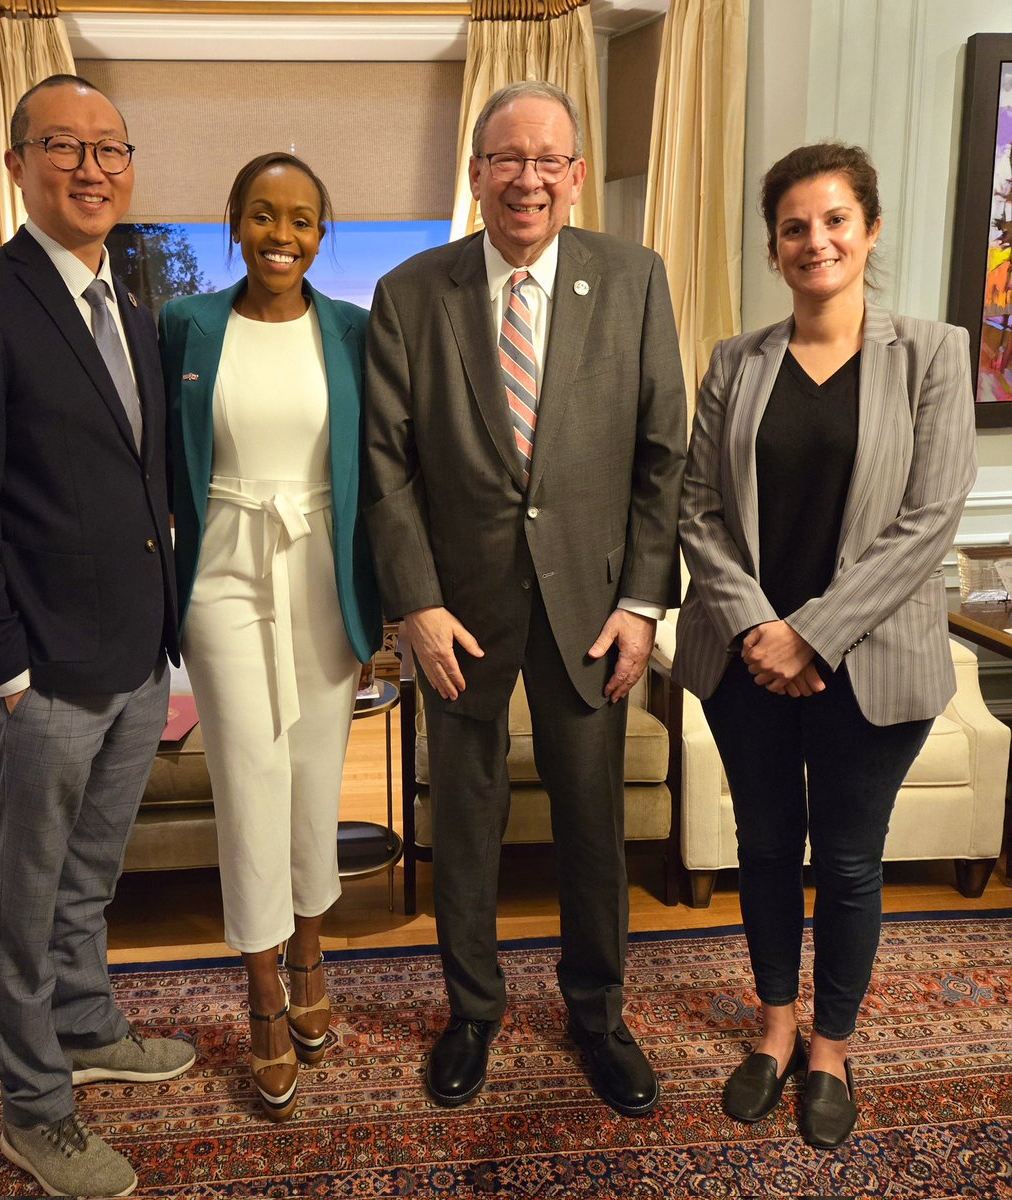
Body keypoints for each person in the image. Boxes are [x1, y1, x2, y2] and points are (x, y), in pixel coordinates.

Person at [364, 81, 685, 1117]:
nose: (529, 178)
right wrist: (414, 603)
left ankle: (598, 1014)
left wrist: (643, 600)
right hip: (457, 612)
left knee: (592, 819)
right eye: (508, 158)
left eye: (550, 159)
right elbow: (388, 467)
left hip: (593, 606)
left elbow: (662, 455)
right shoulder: (413, 294)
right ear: (477, 172)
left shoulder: (634, 280)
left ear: (578, 175)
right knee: (464, 816)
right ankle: (473, 1012)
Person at [0, 74, 195, 1197]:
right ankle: (35, 1107)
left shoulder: (128, 304)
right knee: (21, 906)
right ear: (15, 162)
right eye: (63, 146)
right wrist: (2, 667)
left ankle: (83, 1027)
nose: (90, 168)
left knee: (87, 882)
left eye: (110, 148)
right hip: (43, 673)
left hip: (131, 659)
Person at [673, 142, 976, 1148]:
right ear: (774, 247)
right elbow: (698, 508)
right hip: (745, 663)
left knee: (848, 863)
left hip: (873, 667)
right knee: (765, 849)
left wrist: (814, 635)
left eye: (836, 220)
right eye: (796, 226)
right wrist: (762, 630)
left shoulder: (932, 352)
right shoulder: (734, 361)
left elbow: (930, 517)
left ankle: (832, 1047)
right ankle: (772, 1029)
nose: (816, 240)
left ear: (870, 230)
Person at [159, 152, 381, 1122]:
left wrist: (385, 599)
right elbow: (155, 457)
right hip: (223, 570)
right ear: (234, 225)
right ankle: (260, 991)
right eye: (260, 214)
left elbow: (378, 472)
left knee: (312, 775)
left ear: (321, 235)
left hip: (322, 573)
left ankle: (309, 950)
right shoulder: (185, 325)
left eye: (299, 219)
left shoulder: (356, 332)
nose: (279, 234)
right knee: (247, 775)